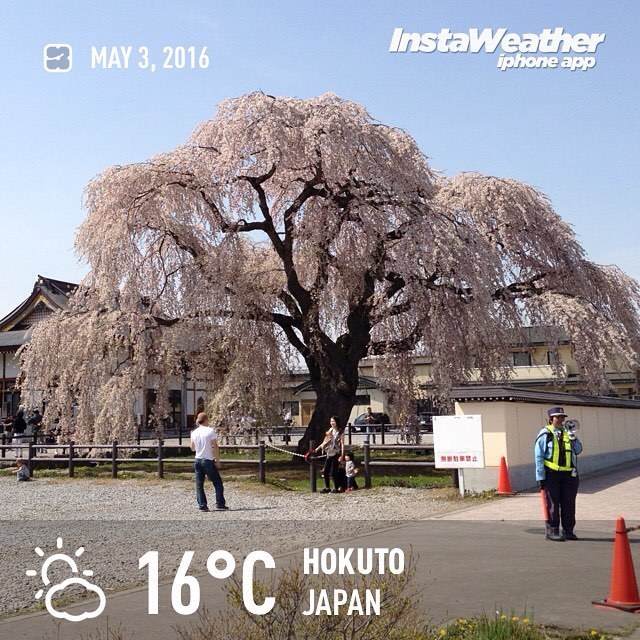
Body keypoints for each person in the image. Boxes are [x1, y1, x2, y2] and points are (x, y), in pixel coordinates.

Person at [534, 407, 583, 541]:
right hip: (552, 474)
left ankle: (568, 531)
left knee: (569, 503)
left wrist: (573, 438)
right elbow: (539, 456)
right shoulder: (545, 433)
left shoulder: (569, 432)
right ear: (551, 419)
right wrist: (540, 477)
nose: (561, 420)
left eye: (562, 417)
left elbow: (578, 450)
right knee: (553, 504)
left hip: (569, 475)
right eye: (558, 417)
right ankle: (552, 531)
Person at [190, 412, 228, 512]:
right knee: (217, 482)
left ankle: (202, 505)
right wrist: (217, 460)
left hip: (197, 459)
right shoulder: (210, 431)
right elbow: (214, 446)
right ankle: (220, 503)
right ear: (206, 420)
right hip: (207, 460)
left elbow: (192, 448)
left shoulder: (194, 432)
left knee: (199, 484)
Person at [312, 416, 345, 493]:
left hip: (336, 454)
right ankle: (327, 487)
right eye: (331, 421)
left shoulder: (340, 432)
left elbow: (342, 444)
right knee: (326, 471)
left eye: (333, 421)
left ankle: (336, 488)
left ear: (337, 422)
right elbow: (325, 441)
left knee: (333, 472)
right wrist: (317, 449)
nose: (332, 423)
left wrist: (342, 455)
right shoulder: (330, 431)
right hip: (329, 454)